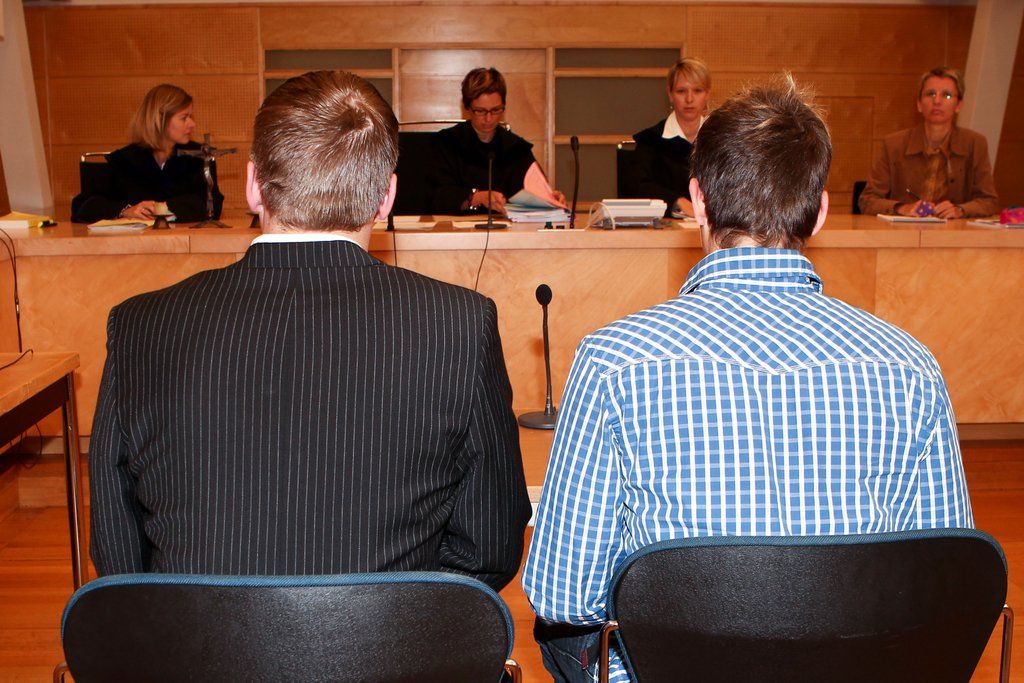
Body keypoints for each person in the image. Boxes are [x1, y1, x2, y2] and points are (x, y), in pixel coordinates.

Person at [523, 77, 972, 682]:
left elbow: (563, 594)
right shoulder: (911, 366)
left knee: (560, 636)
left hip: (675, 672)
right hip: (853, 670)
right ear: (820, 212)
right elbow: (945, 589)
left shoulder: (614, 360)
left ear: (698, 201)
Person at [89, 70, 532, 590]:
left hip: (191, 636)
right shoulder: (459, 325)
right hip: (389, 636)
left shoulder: (141, 326)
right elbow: (489, 547)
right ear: (387, 197)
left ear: (253, 185)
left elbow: (118, 555)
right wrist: (402, 605)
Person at [71, 84, 224, 223]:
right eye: (184, 118)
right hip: (133, 242)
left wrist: (162, 208)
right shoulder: (124, 159)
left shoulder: (199, 156)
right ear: (159, 120)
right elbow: (84, 206)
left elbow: (212, 204)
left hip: (184, 241)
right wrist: (125, 211)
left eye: (191, 116)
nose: (192, 124)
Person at [858, 66, 999, 218]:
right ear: (919, 104)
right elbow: (867, 200)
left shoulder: (974, 144)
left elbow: (989, 201)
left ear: (959, 105)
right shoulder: (894, 144)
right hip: (904, 231)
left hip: (954, 231)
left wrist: (960, 210)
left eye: (946, 95)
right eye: (930, 94)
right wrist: (902, 208)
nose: (937, 101)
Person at [432, 67, 564, 214]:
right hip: (456, 226)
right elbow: (436, 196)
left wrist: (550, 198)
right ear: (467, 107)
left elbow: (535, 189)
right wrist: (476, 197)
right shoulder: (447, 142)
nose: (489, 118)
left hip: (506, 226)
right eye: (480, 111)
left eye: (495, 110)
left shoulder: (516, 148)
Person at [631, 57, 711, 217]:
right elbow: (638, 187)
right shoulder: (650, 140)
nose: (689, 99)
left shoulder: (722, 140)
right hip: (665, 226)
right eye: (681, 91)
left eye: (697, 91)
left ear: (707, 94)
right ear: (670, 94)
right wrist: (677, 201)